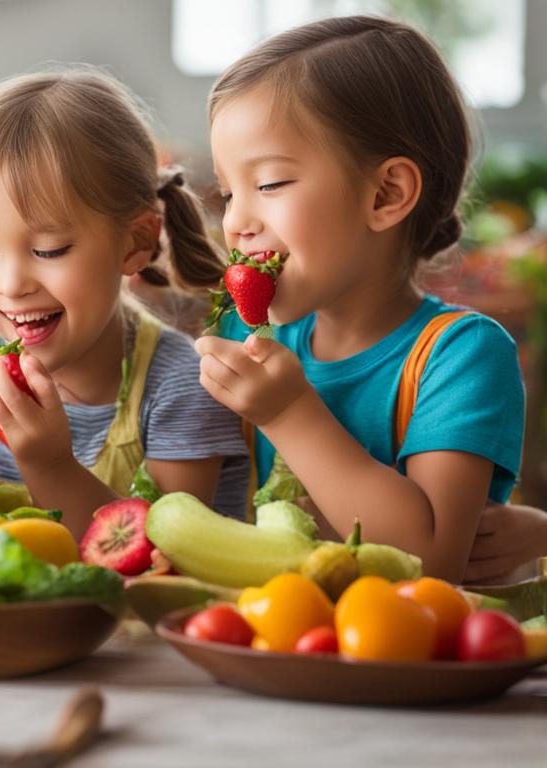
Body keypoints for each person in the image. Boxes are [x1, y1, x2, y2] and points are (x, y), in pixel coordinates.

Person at [196, 16, 525, 581]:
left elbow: (430, 560)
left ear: (386, 194)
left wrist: (289, 414)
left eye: (269, 184)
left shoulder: (461, 357)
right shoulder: (239, 344)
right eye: (228, 193)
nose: (235, 222)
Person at [0, 69, 249, 538]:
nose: (12, 284)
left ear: (135, 243)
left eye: (49, 250)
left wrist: (51, 467)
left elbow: (168, 558)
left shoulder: (180, 389)